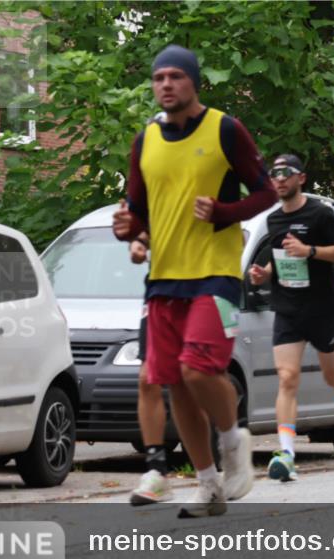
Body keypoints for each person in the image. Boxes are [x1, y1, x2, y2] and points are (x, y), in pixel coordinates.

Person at [112, 44, 277, 517]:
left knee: (197, 370)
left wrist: (225, 212)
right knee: (175, 385)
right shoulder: (145, 140)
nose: (166, 85)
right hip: (164, 278)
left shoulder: (225, 129)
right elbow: (137, 213)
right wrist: (128, 230)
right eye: (158, 77)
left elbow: (265, 192)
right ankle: (207, 485)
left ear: (194, 82)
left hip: (215, 274)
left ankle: (233, 440)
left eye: (175, 76)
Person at [248, 154, 334, 481]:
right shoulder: (274, 220)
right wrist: (264, 273)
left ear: (300, 178)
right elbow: (280, 257)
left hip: (322, 308)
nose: (279, 178)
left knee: (333, 376)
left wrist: (310, 251)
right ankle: (286, 453)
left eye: (286, 173)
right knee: (287, 378)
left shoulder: (320, 214)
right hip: (287, 309)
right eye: (274, 173)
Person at [126, 232, 175, 505]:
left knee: (192, 379)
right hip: (158, 292)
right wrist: (139, 244)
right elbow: (140, 230)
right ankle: (157, 469)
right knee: (147, 378)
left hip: (200, 290)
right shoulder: (151, 205)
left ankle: (224, 449)